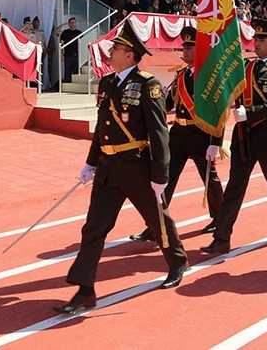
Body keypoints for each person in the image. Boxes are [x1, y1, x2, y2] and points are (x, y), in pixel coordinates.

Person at [54, 22, 188, 314]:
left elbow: (159, 132)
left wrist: (160, 176)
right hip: (108, 167)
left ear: (129, 55)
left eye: (115, 48)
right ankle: (85, 290)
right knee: (93, 228)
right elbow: (101, 128)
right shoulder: (107, 83)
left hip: (137, 167)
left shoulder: (148, 85)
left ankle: (177, 261)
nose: (111, 51)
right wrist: (90, 162)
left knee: (157, 219)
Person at [201, 19, 267, 255]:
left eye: (262, 39)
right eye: (255, 39)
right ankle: (222, 237)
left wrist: (250, 113)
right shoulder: (244, 67)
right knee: (234, 186)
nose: (257, 43)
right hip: (244, 137)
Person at [130, 27, 225, 241]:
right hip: (179, 134)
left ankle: (220, 219)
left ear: (199, 51)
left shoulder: (209, 76)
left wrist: (216, 141)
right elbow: (170, 104)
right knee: (164, 178)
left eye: (189, 48)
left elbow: (220, 110)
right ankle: (155, 224)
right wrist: (160, 98)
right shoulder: (180, 75)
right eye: (183, 47)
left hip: (202, 134)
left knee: (210, 180)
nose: (185, 51)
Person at [56, 17, 82, 83]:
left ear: (76, 23)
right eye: (71, 22)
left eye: (74, 22)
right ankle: (67, 85)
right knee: (67, 71)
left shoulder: (79, 33)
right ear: (69, 24)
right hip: (67, 55)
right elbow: (61, 43)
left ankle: (75, 86)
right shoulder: (65, 32)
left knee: (76, 72)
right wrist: (61, 54)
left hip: (77, 55)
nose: (72, 24)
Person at [31, 16, 51, 92]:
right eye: (35, 22)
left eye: (37, 22)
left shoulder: (41, 32)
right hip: (33, 51)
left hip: (41, 51)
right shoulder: (31, 31)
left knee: (40, 69)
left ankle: (39, 85)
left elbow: (44, 42)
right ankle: (33, 85)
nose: (36, 24)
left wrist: (45, 51)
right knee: (33, 68)